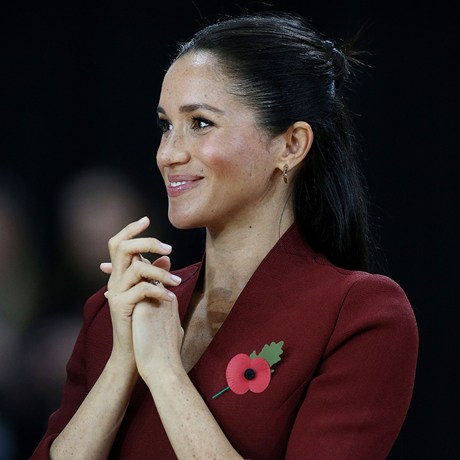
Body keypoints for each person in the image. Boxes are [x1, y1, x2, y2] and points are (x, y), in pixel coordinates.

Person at [30, 11, 418, 459]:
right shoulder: (119, 308)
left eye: (200, 123)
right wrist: (122, 365)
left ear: (291, 145)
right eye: (165, 126)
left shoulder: (361, 315)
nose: (168, 154)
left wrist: (165, 372)